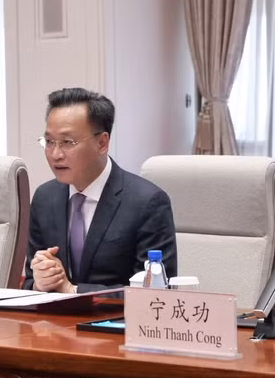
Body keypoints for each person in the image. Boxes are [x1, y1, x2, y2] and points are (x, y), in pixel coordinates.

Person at [24, 87, 177, 293]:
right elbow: (28, 282)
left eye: (68, 142)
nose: (55, 154)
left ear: (102, 143)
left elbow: (154, 293)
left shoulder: (147, 202)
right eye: (49, 142)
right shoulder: (45, 198)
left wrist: (72, 290)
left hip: (117, 324)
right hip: (52, 323)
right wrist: (40, 282)